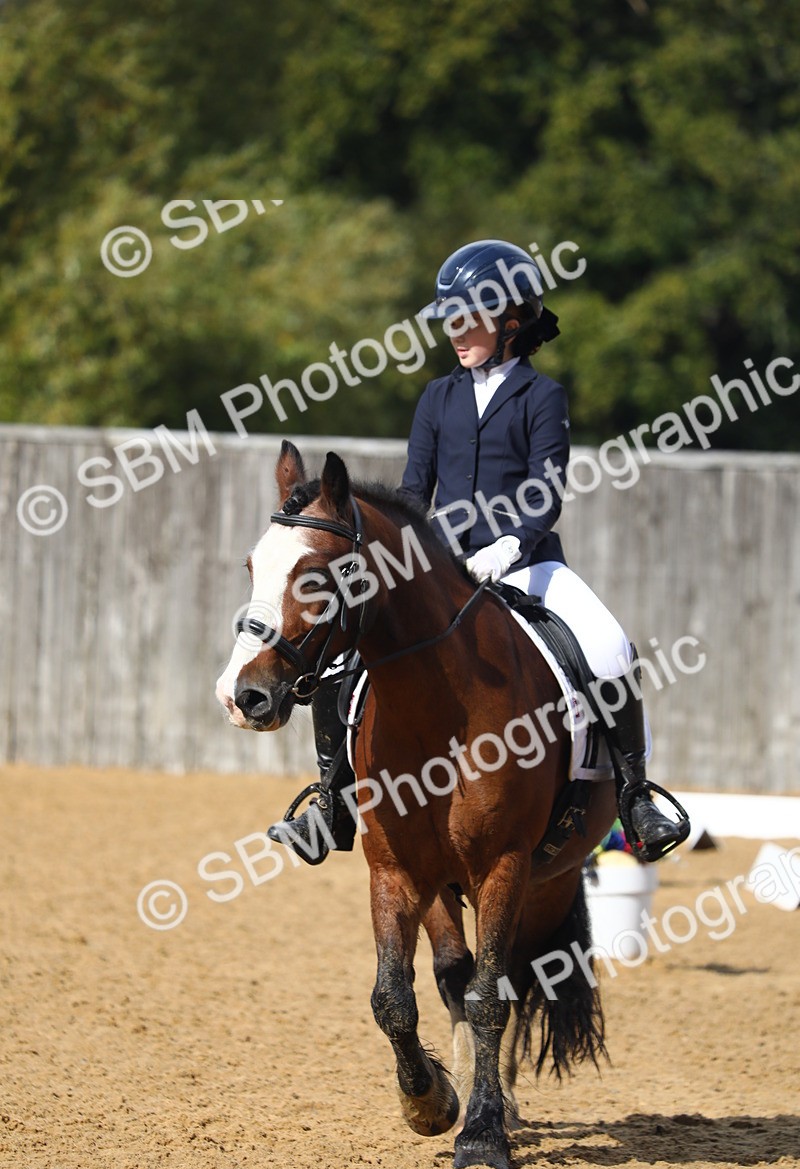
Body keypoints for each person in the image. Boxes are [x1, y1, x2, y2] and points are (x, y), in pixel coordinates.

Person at [268, 239, 689, 865]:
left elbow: (547, 489)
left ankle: (636, 796)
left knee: (610, 647)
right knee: (340, 657)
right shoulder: (437, 398)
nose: (455, 333)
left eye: (469, 320)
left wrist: (510, 544)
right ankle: (330, 804)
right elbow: (414, 492)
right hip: (441, 568)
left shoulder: (542, 398)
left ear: (510, 322)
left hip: (529, 561)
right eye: (450, 321)